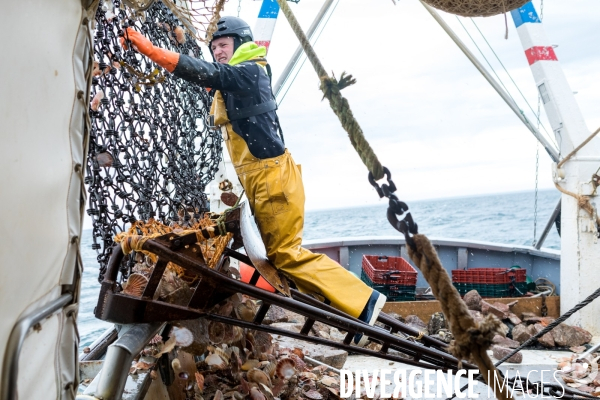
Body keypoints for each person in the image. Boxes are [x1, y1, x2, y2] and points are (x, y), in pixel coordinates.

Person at [121, 17, 385, 345]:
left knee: (286, 255)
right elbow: (207, 79)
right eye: (214, 47)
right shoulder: (237, 81)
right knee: (283, 257)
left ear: (241, 43)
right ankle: (353, 313)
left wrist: (150, 50)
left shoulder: (249, 71)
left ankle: (365, 303)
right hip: (262, 180)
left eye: (223, 45)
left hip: (272, 179)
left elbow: (206, 73)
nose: (217, 51)